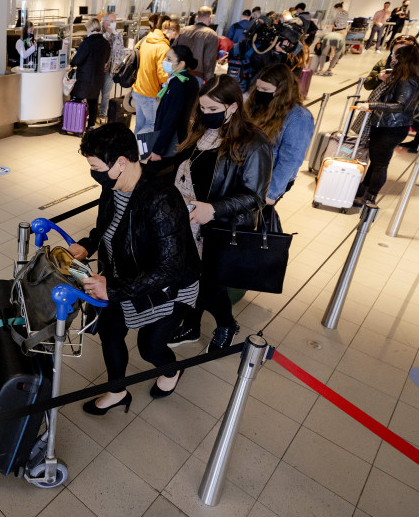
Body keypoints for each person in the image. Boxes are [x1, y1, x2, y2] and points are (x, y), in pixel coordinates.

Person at [69, 124, 200, 413]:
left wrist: (113, 288)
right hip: (124, 276)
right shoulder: (113, 187)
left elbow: (169, 268)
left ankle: (172, 369)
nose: (93, 173)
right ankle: (117, 391)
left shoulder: (161, 199)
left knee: (150, 347)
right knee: (110, 330)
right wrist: (87, 246)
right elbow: (106, 228)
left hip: (170, 287)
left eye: (95, 167)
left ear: (121, 162)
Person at [169, 76, 272, 351]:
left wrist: (213, 209)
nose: (206, 114)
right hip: (190, 223)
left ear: (233, 107)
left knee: (209, 284)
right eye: (202, 108)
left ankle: (226, 324)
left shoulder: (254, 142)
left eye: (213, 109)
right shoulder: (202, 129)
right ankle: (192, 326)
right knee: (195, 278)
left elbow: (255, 196)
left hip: (222, 227)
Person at [353, 43, 419, 204]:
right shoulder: (401, 77)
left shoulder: (408, 81)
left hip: (391, 127)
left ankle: (370, 197)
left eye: (394, 55)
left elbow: (400, 106)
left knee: (380, 164)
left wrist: (372, 105)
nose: (392, 58)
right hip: (385, 125)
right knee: (376, 161)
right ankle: (363, 190)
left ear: (401, 59)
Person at [247, 64, 315, 204]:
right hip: (250, 173)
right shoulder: (259, 105)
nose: (259, 92)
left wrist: (271, 193)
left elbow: (291, 159)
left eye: (265, 89)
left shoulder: (299, 117)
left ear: (282, 91)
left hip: (268, 180)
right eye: (258, 88)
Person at [146, 44, 200, 165]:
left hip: (170, 140)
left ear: (181, 64)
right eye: (166, 58)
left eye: (169, 59)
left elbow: (170, 119)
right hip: (180, 136)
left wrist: (157, 149)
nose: (165, 61)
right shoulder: (188, 80)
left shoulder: (178, 85)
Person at [132, 15, 170, 135]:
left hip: (137, 88)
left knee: (140, 124)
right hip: (150, 91)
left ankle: (132, 146)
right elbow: (162, 75)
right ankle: (133, 142)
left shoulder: (144, 40)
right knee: (151, 125)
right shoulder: (163, 47)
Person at [70, 17, 111, 127]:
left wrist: (72, 61)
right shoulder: (106, 43)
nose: (87, 30)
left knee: (77, 99)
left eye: (87, 28)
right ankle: (91, 126)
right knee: (93, 102)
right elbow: (106, 60)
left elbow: (77, 60)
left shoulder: (86, 43)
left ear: (91, 28)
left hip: (84, 78)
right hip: (98, 78)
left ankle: (76, 124)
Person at [98, 12, 127, 123]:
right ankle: (91, 113)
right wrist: (108, 34)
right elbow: (99, 46)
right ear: (104, 22)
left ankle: (103, 115)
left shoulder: (117, 35)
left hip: (111, 69)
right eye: (111, 21)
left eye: (114, 21)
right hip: (98, 69)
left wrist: (114, 34)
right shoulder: (100, 33)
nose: (113, 23)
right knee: (95, 93)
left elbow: (121, 50)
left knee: (106, 94)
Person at [176, 6, 219, 80]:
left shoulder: (183, 30)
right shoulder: (211, 35)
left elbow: (173, 52)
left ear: (196, 17)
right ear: (209, 18)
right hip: (197, 76)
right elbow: (209, 61)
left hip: (179, 73)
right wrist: (209, 81)